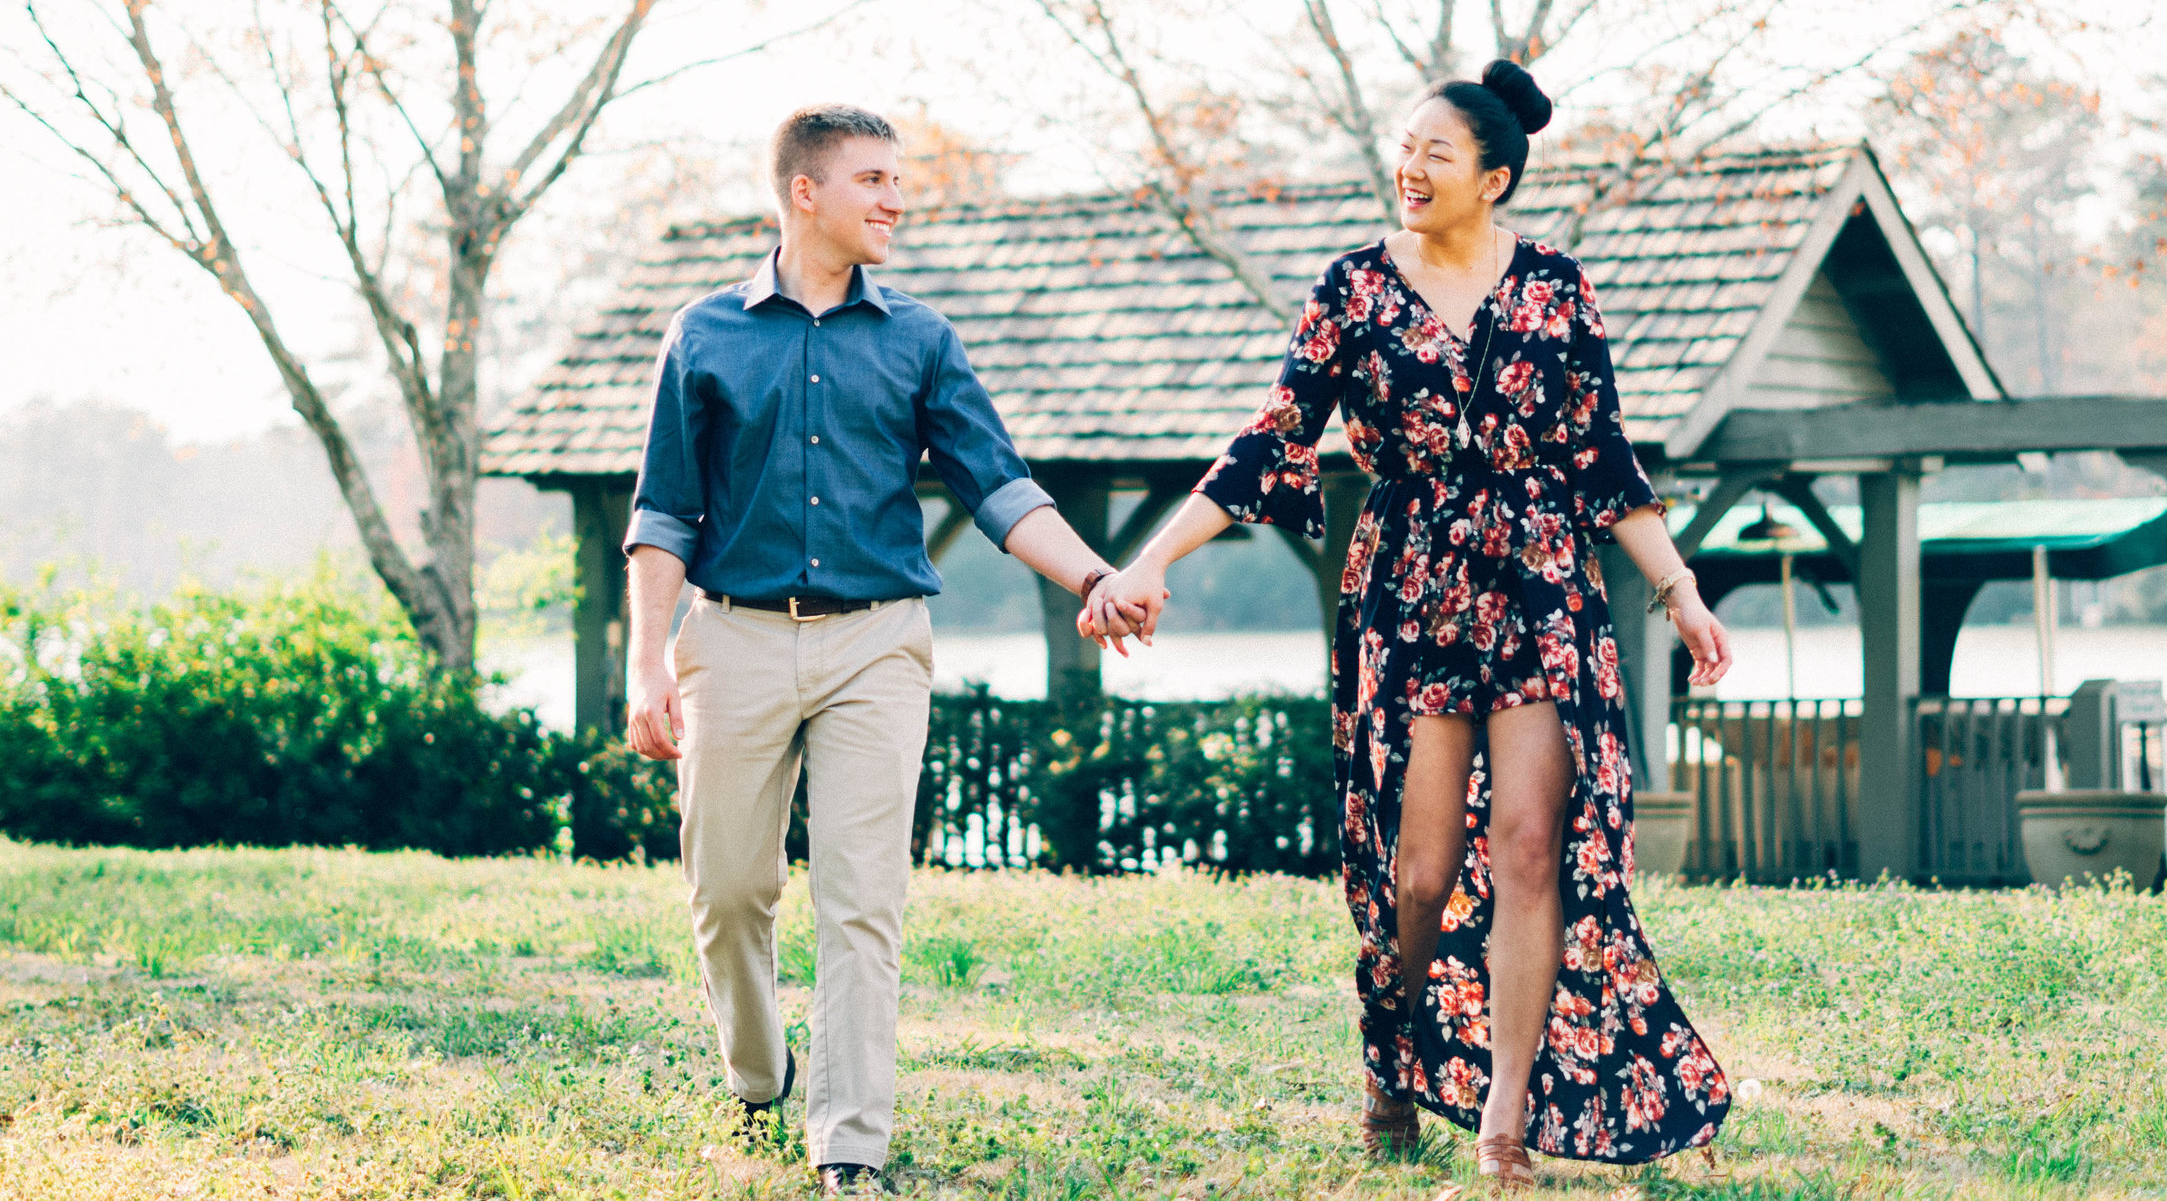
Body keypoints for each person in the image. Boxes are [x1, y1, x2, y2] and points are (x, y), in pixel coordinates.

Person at [1084, 61, 1735, 1188]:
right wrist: (1149, 558)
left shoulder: (1556, 289)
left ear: (1495, 177)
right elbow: (1270, 435)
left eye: (1436, 152)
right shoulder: (1352, 287)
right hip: (1416, 592)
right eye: (1404, 148)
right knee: (1421, 875)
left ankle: (1505, 1112)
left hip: (1540, 589)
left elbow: (1601, 456)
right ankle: (1393, 1052)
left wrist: (1678, 590)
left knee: (1532, 849)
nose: (1410, 167)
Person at [622, 105, 1145, 1194]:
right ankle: (759, 1074)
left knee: (861, 899)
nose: (896, 198)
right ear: (803, 193)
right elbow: (664, 516)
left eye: (898, 178)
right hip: (735, 640)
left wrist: (1095, 574)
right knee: (727, 891)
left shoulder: (919, 337)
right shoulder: (705, 335)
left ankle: (848, 1144)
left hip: (878, 647)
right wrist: (645, 664)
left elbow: (998, 487)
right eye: (873, 179)